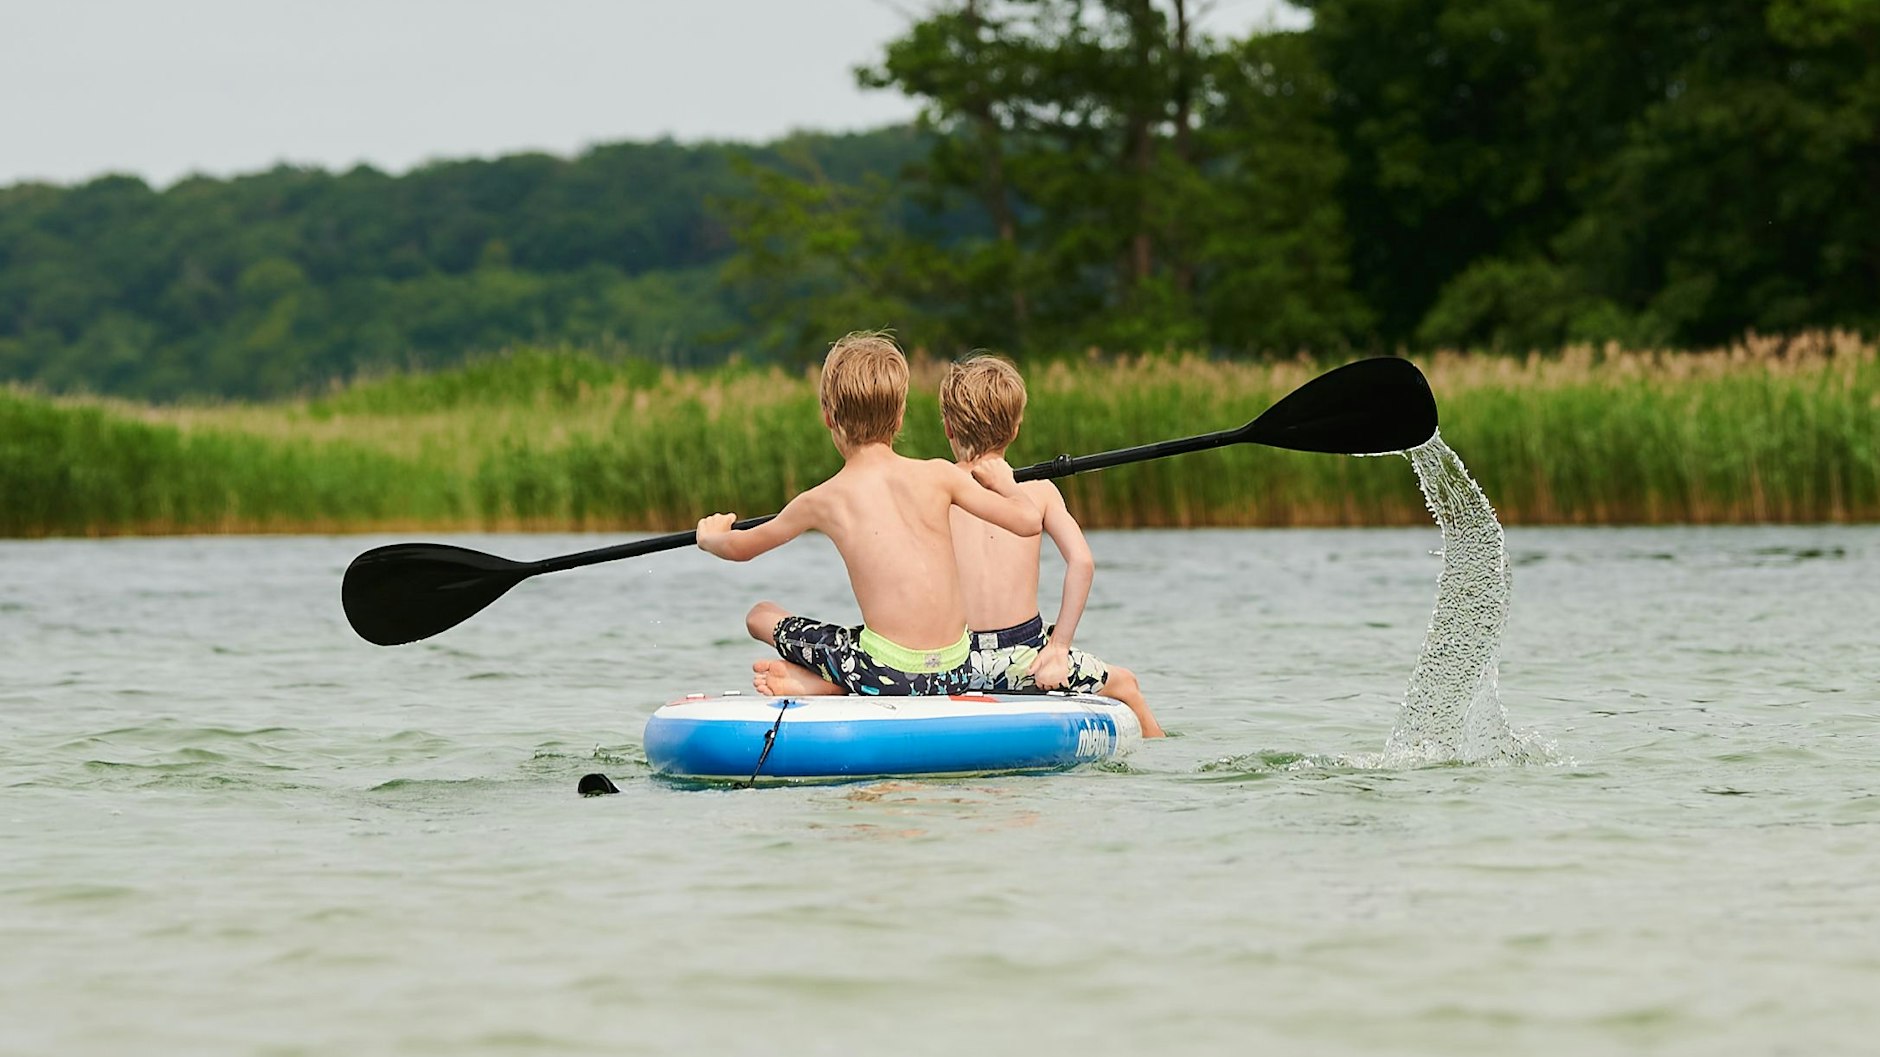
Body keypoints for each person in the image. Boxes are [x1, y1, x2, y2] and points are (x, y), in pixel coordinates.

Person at [695, 331, 1043, 697]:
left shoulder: (824, 498)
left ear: (829, 417)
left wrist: (711, 536)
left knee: (761, 615)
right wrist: (1006, 482)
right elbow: (1028, 521)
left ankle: (831, 684)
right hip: (956, 670)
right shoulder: (940, 473)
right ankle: (840, 682)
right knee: (871, 640)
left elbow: (741, 548)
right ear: (899, 417)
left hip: (887, 673)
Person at [939, 354, 1165, 736]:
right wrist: (1058, 648)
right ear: (1015, 428)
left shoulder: (936, 490)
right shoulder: (1039, 491)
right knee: (1127, 686)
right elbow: (1082, 563)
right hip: (1027, 660)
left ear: (947, 427)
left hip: (952, 660)